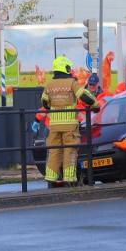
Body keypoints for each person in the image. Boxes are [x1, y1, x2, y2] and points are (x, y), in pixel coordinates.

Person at [42, 56, 100, 186]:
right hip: (69, 126)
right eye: (69, 68)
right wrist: (95, 105)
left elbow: (44, 103)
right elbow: (84, 96)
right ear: (65, 68)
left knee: (54, 151)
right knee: (70, 150)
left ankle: (51, 177)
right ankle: (69, 179)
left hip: (54, 126)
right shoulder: (72, 83)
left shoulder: (49, 85)